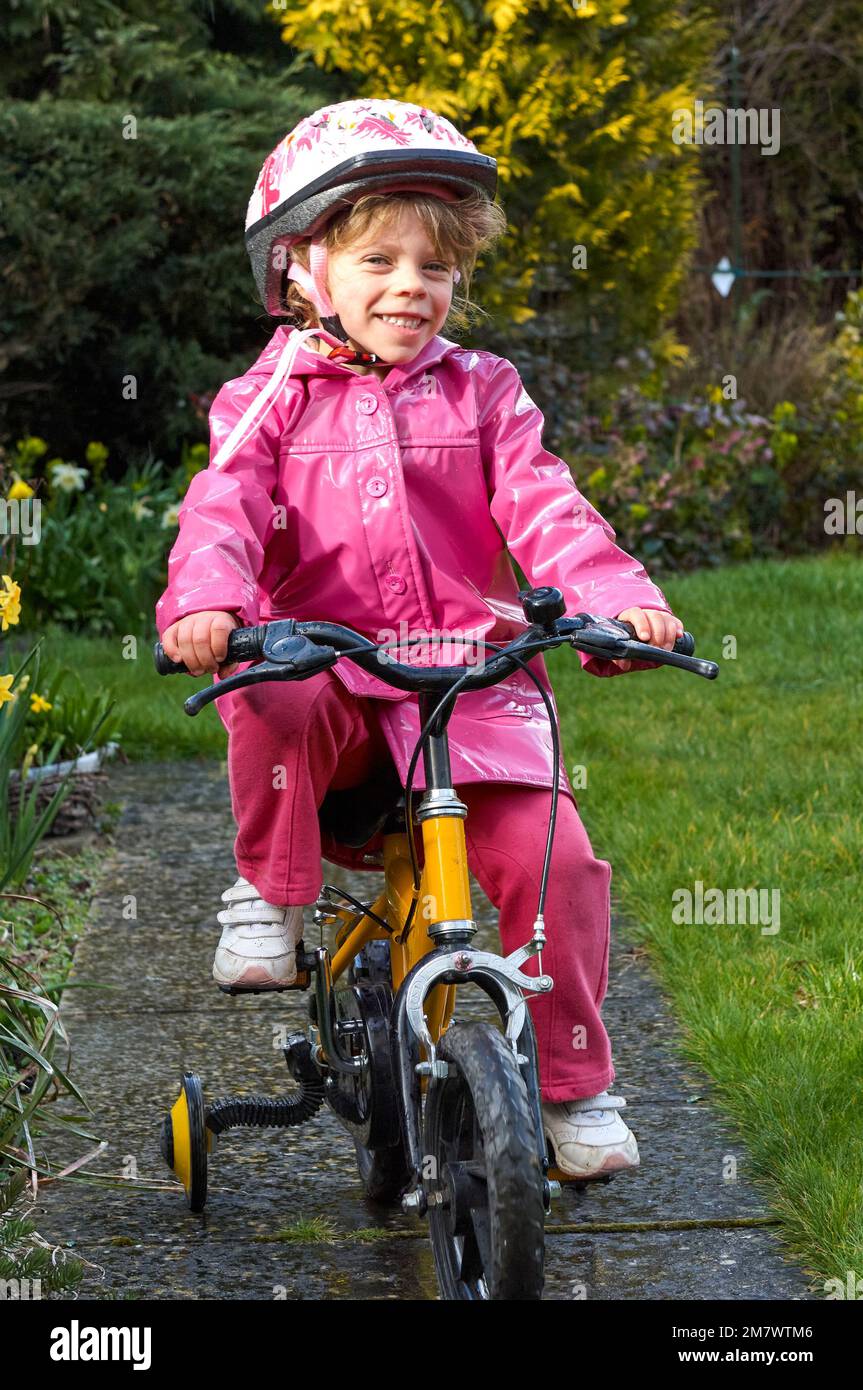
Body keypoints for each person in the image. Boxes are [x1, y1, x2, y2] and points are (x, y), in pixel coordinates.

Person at [155, 98, 685, 1180]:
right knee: (269, 686)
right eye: (379, 260)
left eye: (435, 267)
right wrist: (208, 602)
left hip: (467, 682)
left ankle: (574, 1086)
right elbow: (222, 507)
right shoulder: (268, 396)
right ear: (302, 271)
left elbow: (548, 508)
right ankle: (272, 886)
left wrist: (611, 598)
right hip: (332, 670)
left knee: (566, 863)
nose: (411, 286)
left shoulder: (486, 391)